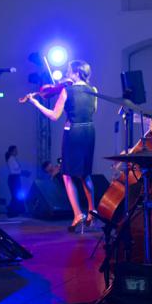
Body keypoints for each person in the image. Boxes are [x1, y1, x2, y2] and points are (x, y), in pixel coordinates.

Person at [25, 60, 98, 232]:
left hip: (72, 133)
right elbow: (93, 111)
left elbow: (54, 116)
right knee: (85, 174)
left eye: (69, 71)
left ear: (76, 73)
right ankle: (92, 210)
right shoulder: (93, 90)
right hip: (89, 132)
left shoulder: (67, 90)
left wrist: (36, 103)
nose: (67, 74)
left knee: (67, 175)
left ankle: (77, 214)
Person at [5, 145, 25, 217]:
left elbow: (16, 170)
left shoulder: (12, 158)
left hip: (15, 178)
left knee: (16, 195)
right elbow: (15, 170)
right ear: (12, 151)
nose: (17, 151)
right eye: (15, 150)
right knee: (15, 195)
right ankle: (12, 211)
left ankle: (14, 211)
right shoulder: (11, 159)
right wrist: (22, 172)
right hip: (14, 179)